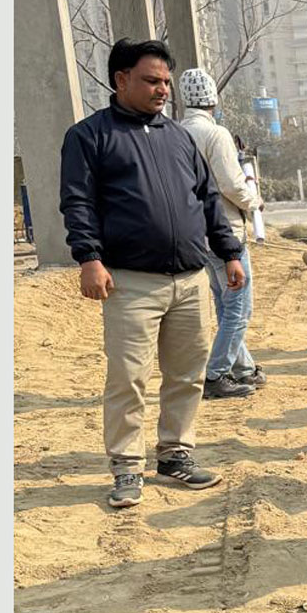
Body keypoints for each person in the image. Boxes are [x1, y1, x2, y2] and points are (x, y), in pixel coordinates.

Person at [59, 38, 241, 508]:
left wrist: (230, 251)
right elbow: (78, 202)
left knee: (187, 374)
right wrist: (89, 258)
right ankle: (126, 467)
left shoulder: (178, 136)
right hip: (130, 282)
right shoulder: (89, 137)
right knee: (128, 377)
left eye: (166, 82)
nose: (163, 90)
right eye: (151, 81)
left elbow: (207, 199)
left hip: (190, 279)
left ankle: (176, 453)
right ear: (121, 80)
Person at [177, 68, 265, 399]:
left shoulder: (175, 133)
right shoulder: (215, 135)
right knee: (239, 307)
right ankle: (216, 374)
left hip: (195, 234)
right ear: (213, 98)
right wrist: (254, 202)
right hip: (225, 232)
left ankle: (243, 368)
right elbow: (230, 184)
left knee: (225, 304)